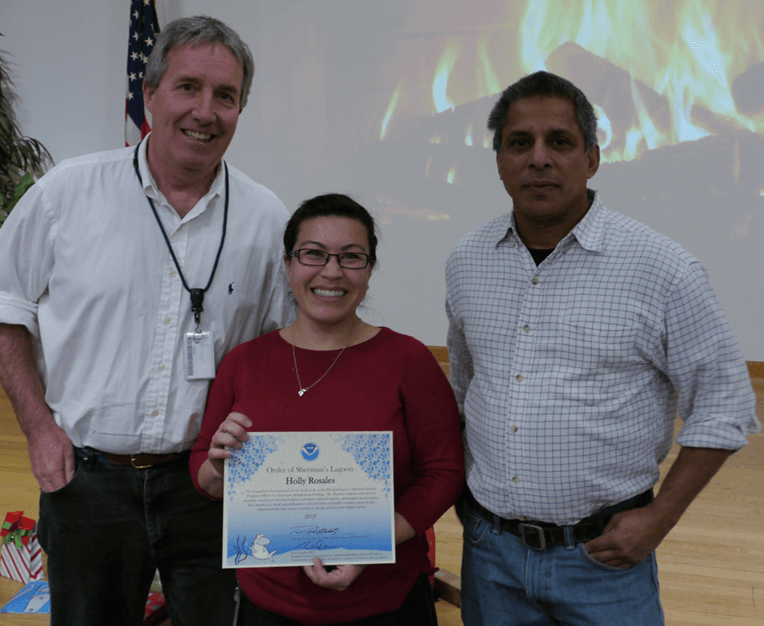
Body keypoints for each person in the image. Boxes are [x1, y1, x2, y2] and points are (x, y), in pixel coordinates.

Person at [0, 16, 294, 626]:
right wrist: (39, 428)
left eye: (225, 96)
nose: (206, 110)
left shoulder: (265, 217)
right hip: (87, 482)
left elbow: (283, 349)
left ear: (240, 109)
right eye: (188, 87)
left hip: (212, 485)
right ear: (149, 95)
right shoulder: (67, 192)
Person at [445, 71, 760, 625]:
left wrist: (660, 517)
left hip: (604, 559)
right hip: (489, 555)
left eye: (560, 142)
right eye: (520, 143)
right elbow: (467, 390)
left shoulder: (663, 269)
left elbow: (726, 406)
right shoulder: (467, 262)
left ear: (591, 158)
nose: (538, 158)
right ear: (498, 160)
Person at [191, 193, 465, 626]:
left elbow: (444, 470)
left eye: (352, 257)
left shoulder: (408, 360)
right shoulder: (244, 362)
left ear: (370, 270)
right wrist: (221, 470)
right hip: (269, 605)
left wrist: (370, 542)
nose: (332, 271)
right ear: (288, 264)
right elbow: (204, 472)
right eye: (313, 254)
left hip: (386, 603)